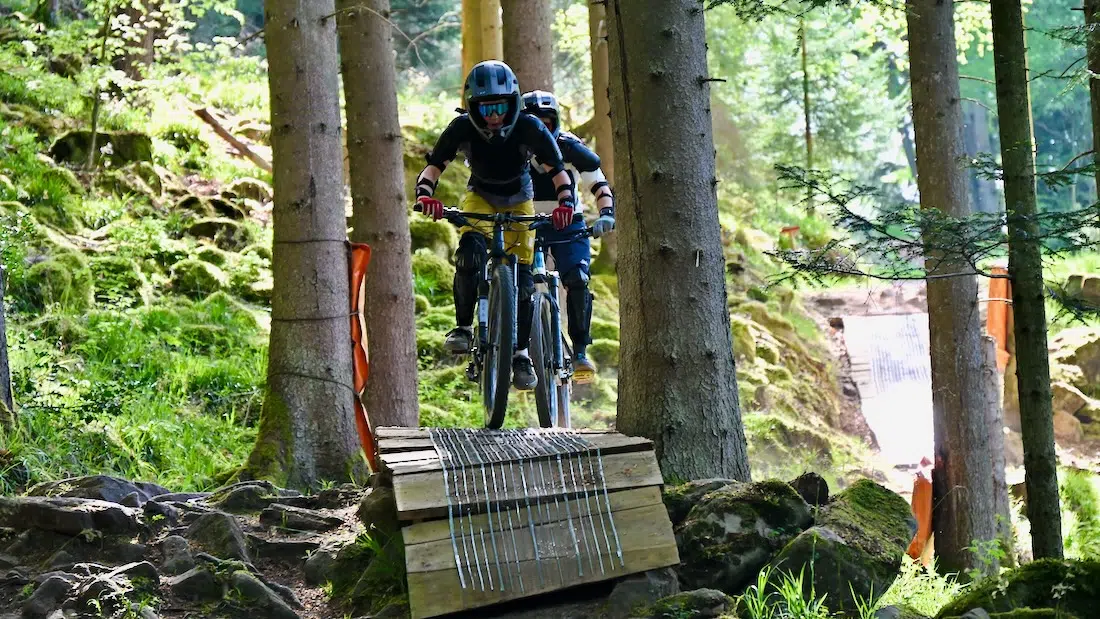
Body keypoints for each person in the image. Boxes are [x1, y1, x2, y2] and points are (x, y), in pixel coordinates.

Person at [413, 61, 577, 391]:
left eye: (500, 106)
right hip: (480, 195)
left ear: (513, 103)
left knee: (525, 280)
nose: (493, 116)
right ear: (473, 107)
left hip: (520, 197)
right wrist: (424, 196)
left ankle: (520, 355)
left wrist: (566, 205)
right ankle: (462, 328)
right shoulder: (461, 127)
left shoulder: (530, 126)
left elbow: (557, 170)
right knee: (469, 253)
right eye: (485, 108)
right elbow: (434, 166)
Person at [522, 90, 615, 384]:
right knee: (514, 279)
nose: (541, 130)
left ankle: (580, 351)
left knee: (577, 278)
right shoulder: (514, 147)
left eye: (547, 123)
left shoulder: (571, 148)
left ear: (556, 123)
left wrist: (606, 215)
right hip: (523, 221)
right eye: (534, 123)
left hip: (568, 222)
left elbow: (598, 184)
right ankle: (516, 350)